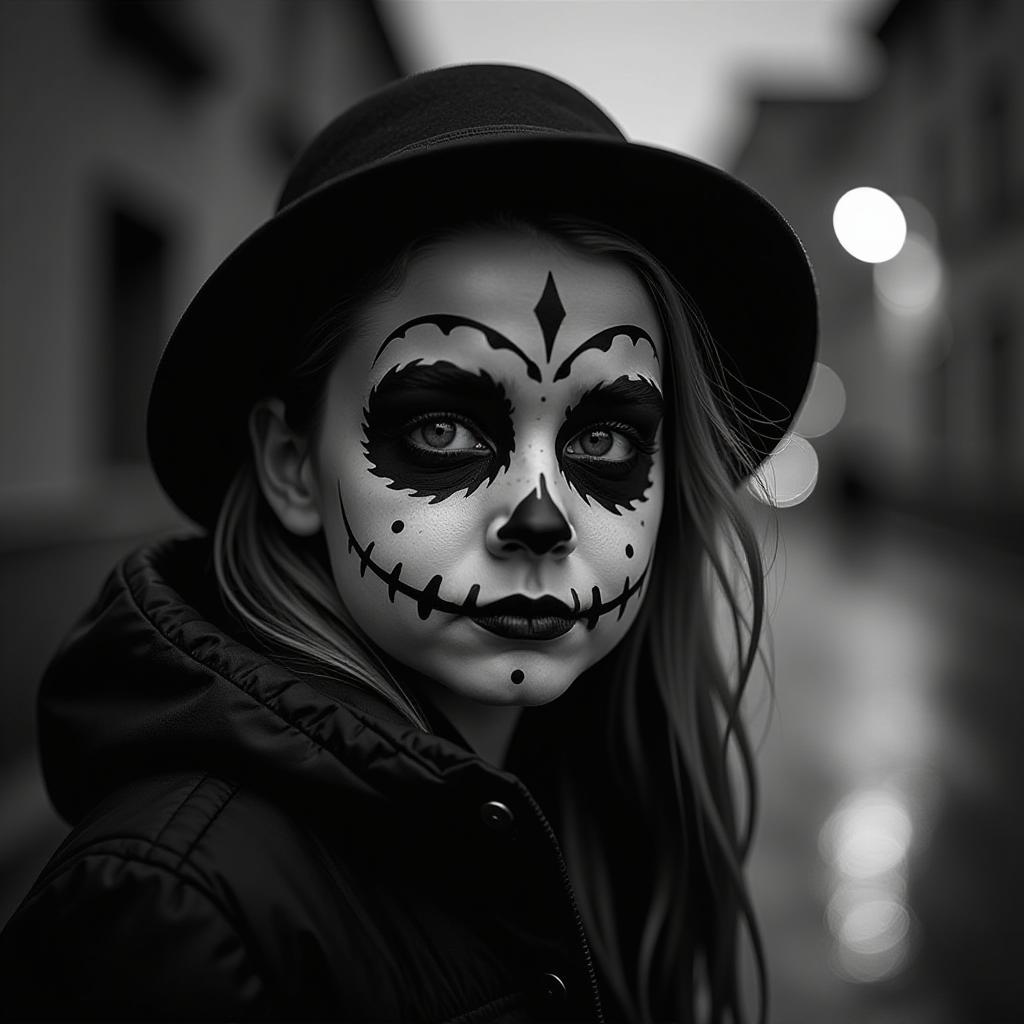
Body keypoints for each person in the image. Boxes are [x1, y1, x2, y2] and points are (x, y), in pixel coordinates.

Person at [0, 64, 816, 1023]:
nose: (541, 516)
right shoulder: (168, 916)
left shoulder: (593, 813)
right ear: (292, 464)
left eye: (604, 439)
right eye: (444, 429)